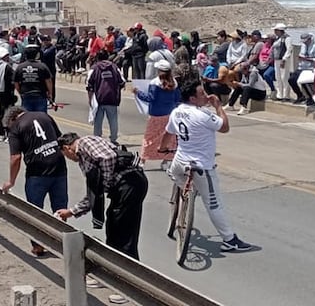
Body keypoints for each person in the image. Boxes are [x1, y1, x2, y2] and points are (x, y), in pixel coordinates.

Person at [165, 80, 252, 252]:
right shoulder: (204, 115)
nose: (206, 96)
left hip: (181, 161)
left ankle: (187, 190)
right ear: (192, 98)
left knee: (174, 173)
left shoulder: (176, 112)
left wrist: (162, 147)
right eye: (201, 94)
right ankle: (229, 239)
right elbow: (225, 127)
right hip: (202, 166)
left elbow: (168, 132)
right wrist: (218, 106)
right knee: (214, 203)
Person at [54, 132, 148, 260]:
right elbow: (94, 193)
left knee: (122, 234)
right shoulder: (85, 154)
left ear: (66, 148)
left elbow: (108, 157)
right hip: (128, 187)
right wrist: (71, 212)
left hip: (129, 185)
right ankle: (119, 268)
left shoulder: (84, 143)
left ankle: (126, 271)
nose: (69, 158)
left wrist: (107, 181)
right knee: (116, 229)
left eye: (66, 155)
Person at [1, 106, 68, 257]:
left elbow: (15, 157)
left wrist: (11, 181)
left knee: (34, 210)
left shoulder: (16, 127)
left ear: (12, 119)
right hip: (58, 167)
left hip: (37, 173)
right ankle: (62, 242)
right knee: (60, 208)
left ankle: (38, 246)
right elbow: (60, 139)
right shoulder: (44, 115)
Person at [133, 60, 181, 170]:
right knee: (169, 138)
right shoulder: (174, 83)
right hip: (169, 114)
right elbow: (177, 99)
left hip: (155, 115)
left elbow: (150, 98)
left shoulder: (155, 83)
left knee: (149, 138)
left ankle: (143, 160)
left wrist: (138, 92)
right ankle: (166, 160)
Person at [86, 49, 125, 143]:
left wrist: (90, 99)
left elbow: (89, 85)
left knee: (98, 120)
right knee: (113, 120)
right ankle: (113, 139)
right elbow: (122, 82)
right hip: (112, 98)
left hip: (98, 99)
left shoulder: (94, 68)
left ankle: (97, 139)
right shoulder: (114, 67)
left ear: (97, 58)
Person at [15, 45, 54, 113]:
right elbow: (48, 81)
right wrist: (50, 93)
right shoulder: (42, 66)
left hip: (26, 95)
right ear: (36, 55)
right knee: (41, 117)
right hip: (40, 95)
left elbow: (16, 83)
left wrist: (21, 92)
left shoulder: (20, 67)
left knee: (27, 118)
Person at [0, 46, 18, 141]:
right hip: (8, 91)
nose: (8, 57)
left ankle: (1, 134)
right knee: (10, 113)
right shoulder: (6, 66)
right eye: (6, 56)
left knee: (2, 113)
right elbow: (14, 77)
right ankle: (9, 133)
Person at [290, 33, 315, 104]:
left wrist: (306, 59)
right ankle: (300, 95)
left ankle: (311, 98)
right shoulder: (303, 46)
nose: (304, 42)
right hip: (301, 67)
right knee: (291, 80)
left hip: (310, 68)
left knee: (305, 82)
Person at [272, 24, 294, 101]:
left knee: (284, 77)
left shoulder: (287, 38)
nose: (274, 32)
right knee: (278, 77)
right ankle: (279, 94)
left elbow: (289, 49)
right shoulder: (278, 38)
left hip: (283, 60)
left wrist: (284, 59)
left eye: (276, 30)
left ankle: (286, 95)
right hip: (276, 60)